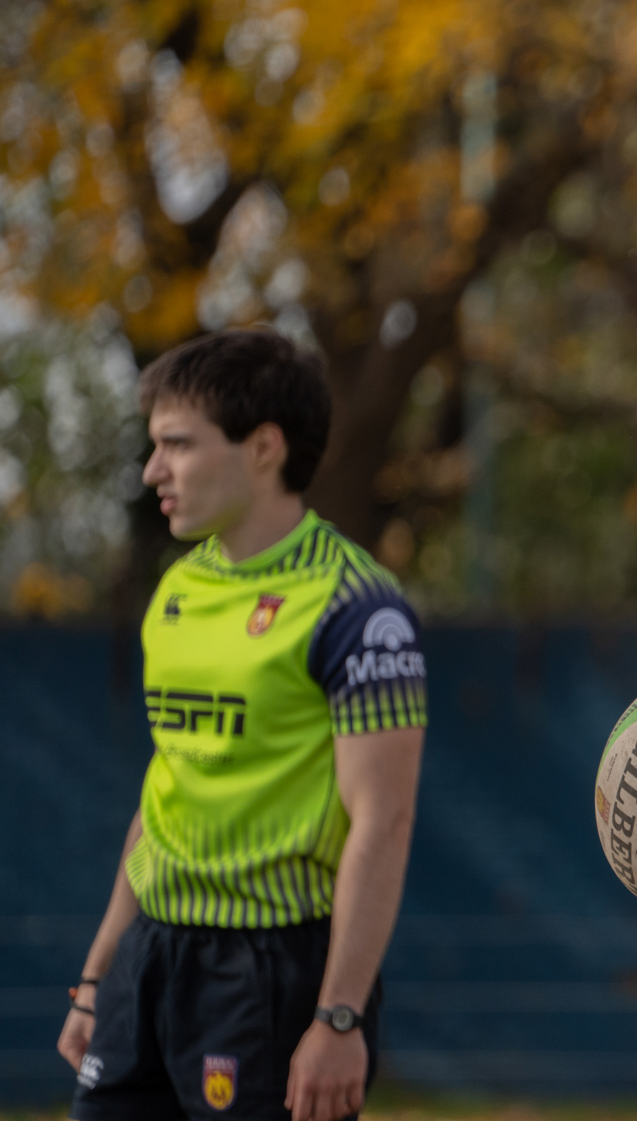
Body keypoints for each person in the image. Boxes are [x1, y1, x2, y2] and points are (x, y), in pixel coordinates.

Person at [56, 329, 429, 1121]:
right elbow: (168, 792)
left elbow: (383, 822)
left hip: (270, 969)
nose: (153, 470)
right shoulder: (178, 589)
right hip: (149, 954)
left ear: (263, 448)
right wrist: (97, 975)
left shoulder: (360, 609)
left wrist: (339, 1016)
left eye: (177, 446)